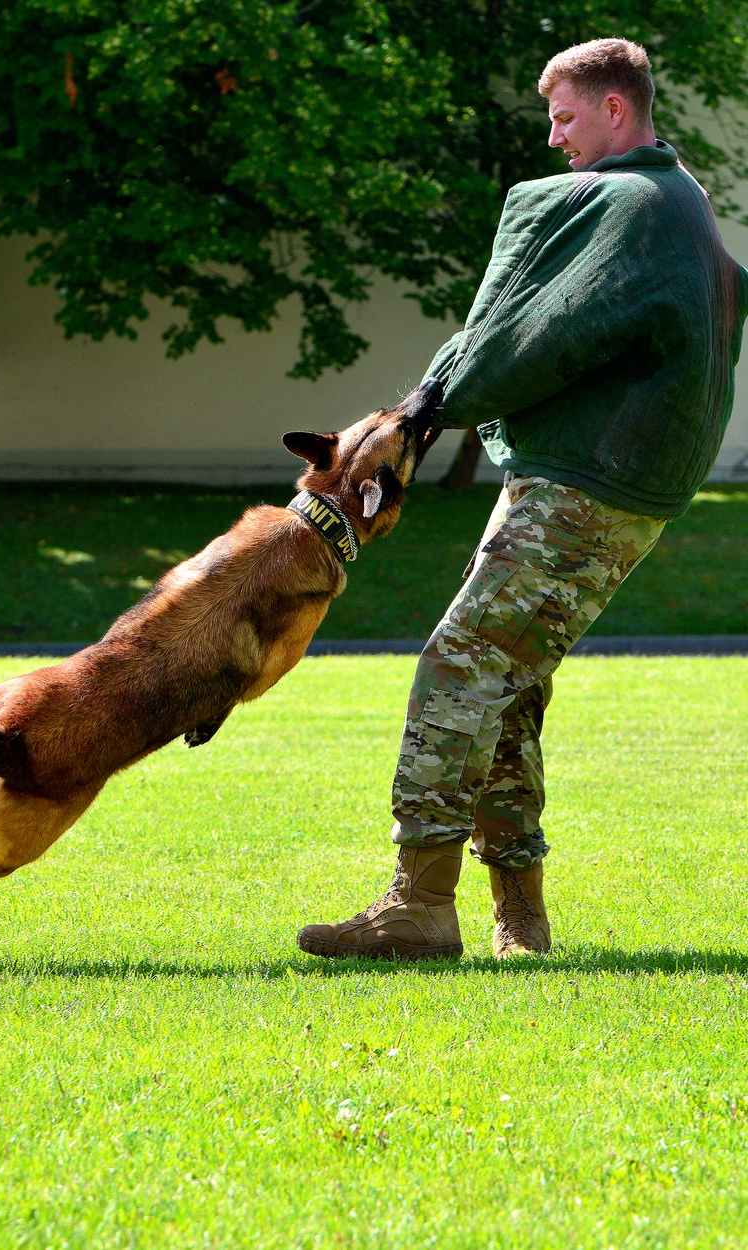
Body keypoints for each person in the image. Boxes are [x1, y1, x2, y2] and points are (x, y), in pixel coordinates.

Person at [297, 38, 748, 962]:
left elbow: (544, 330)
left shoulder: (633, 203)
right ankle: (521, 920)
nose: (555, 139)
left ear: (616, 110)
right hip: (615, 487)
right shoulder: (679, 202)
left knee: (458, 666)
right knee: (506, 689)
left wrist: (431, 407)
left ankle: (419, 908)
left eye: (566, 117)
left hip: (586, 488)